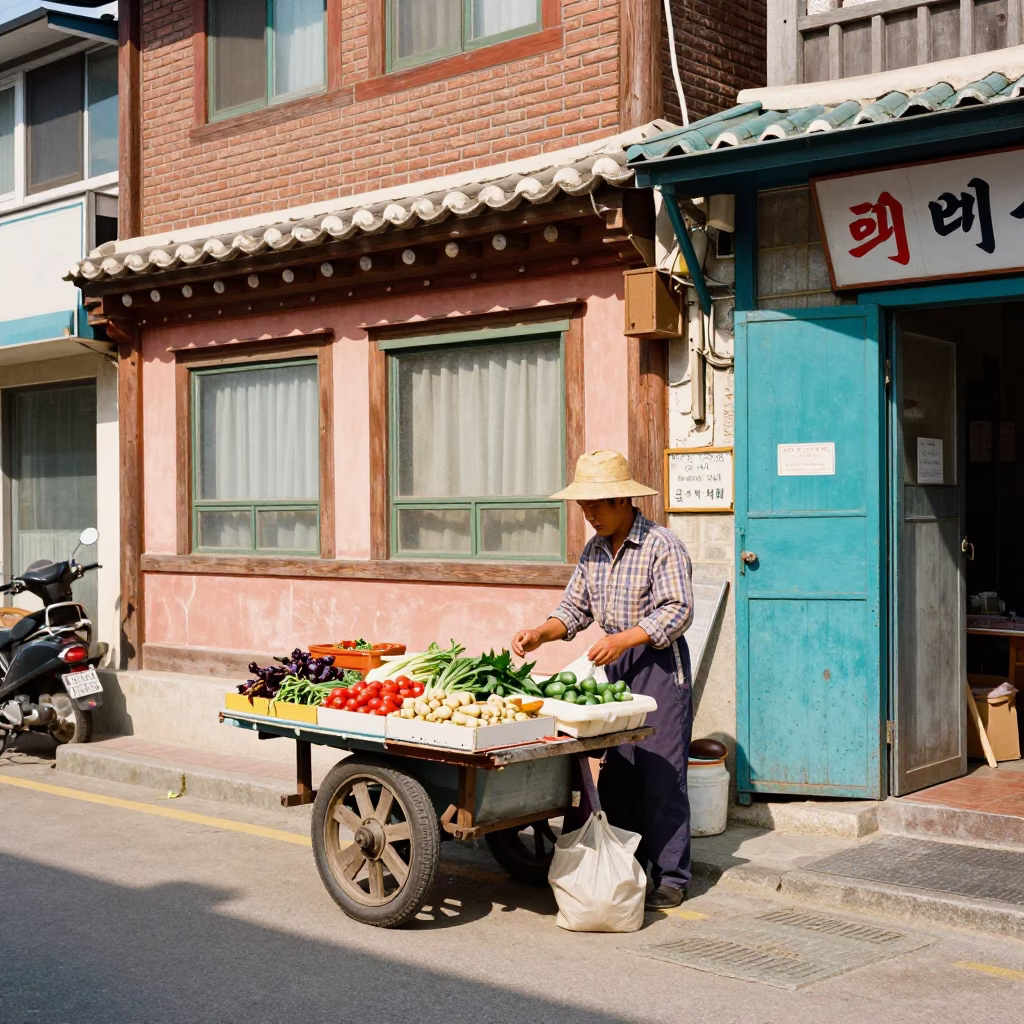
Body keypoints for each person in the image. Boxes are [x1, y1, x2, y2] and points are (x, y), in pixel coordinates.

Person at [512, 450, 694, 910]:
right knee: (620, 775)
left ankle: (672, 875)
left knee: (661, 774)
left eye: (595, 505)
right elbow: (574, 609)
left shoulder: (660, 544)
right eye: (583, 507)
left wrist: (626, 639)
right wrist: (540, 634)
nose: (588, 515)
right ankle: (626, 865)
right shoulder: (594, 551)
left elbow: (678, 609)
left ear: (621, 501)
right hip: (614, 671)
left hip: (657, 667)